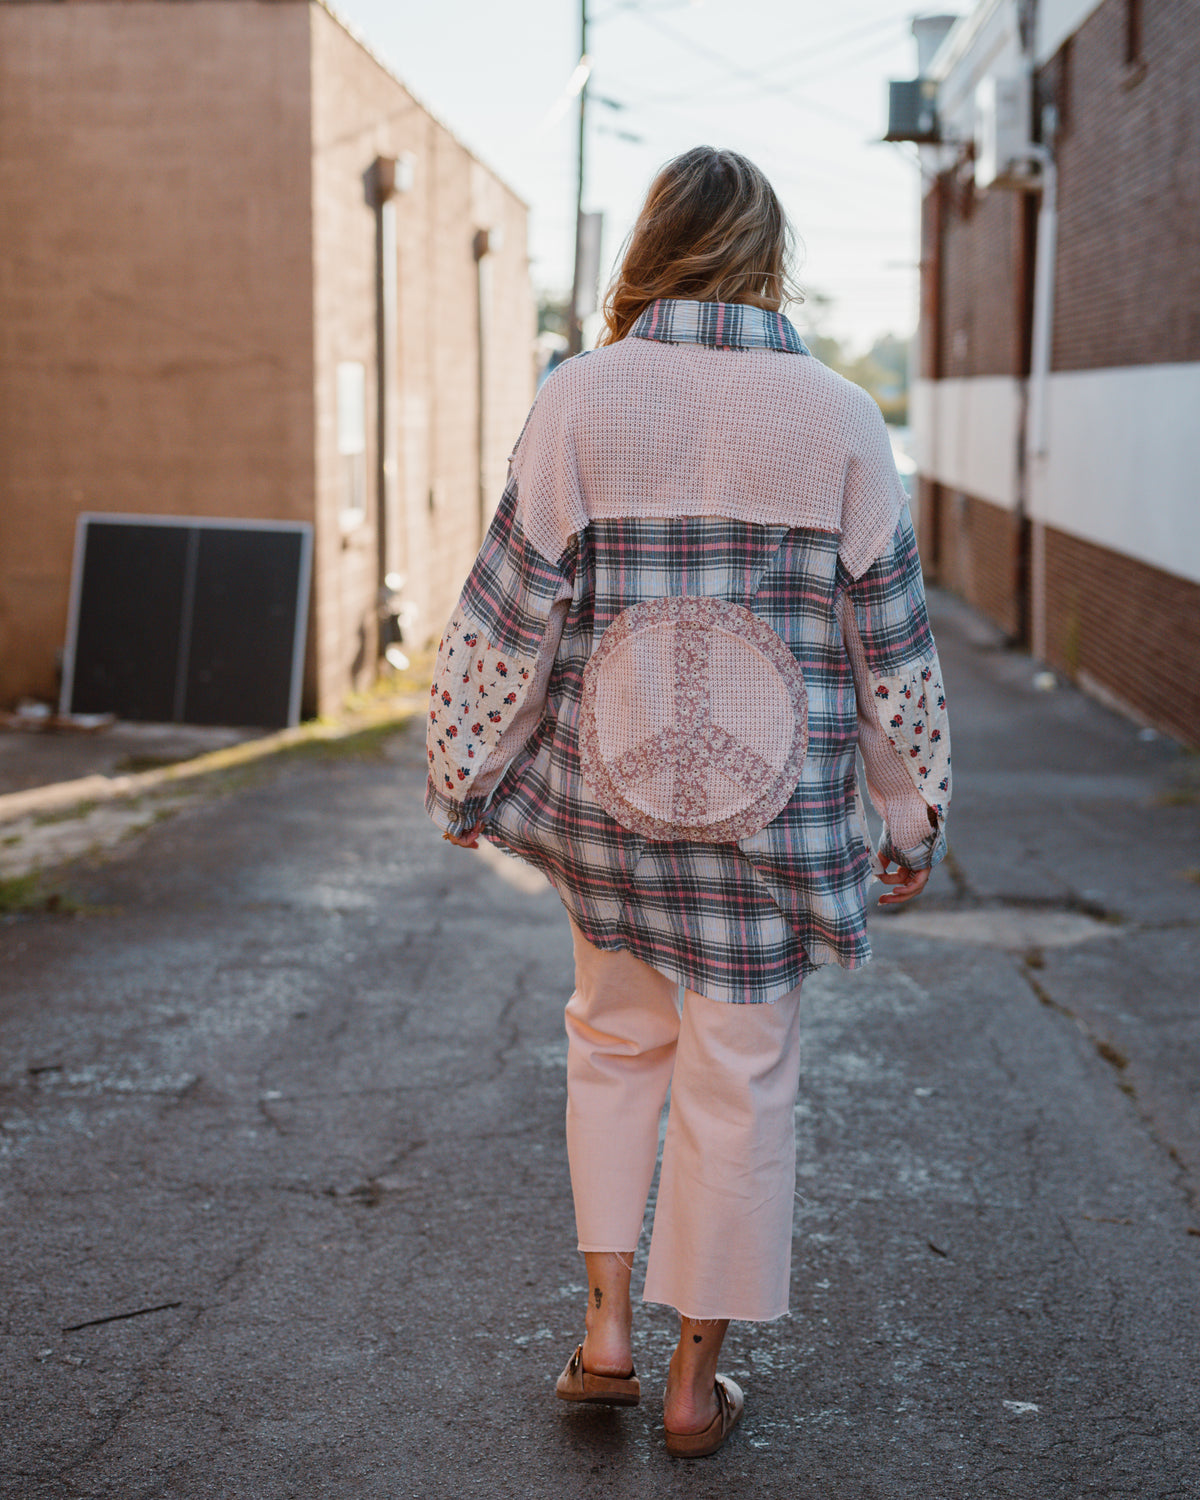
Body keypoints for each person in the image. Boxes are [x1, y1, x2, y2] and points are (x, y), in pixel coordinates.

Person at [424, 146, 950, 1459]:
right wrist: (913, 813)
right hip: (772, 831)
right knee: (741, 1084)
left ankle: (605, 1333)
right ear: (768, 259)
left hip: (614, 814)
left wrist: (464, 770)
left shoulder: (578, 399)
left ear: (650, 252)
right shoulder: (838, 416)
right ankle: (689, 1385)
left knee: (610, 1045)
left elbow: (507, 617)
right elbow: (891, 648)